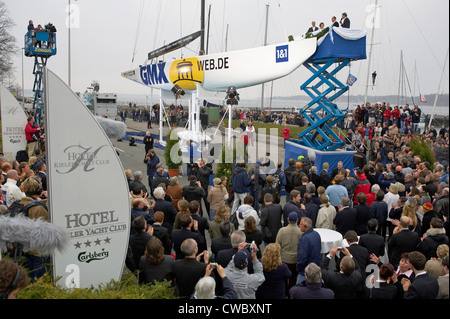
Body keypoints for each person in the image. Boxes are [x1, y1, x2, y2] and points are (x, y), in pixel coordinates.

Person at [276, 212, 302, 294]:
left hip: (284, 258)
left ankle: (285, 292)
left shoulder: (282, 231)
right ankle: (291, 293)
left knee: (283, 277)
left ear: (288, 219)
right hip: (295, 259)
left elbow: (277, 244)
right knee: (293, 278)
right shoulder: (300, 232)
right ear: (297, 220)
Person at [296, 217, 322, 284]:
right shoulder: (316, 234)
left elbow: (302, 257)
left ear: (305, 226)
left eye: (300, 224)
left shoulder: (304, 239)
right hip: (316, 268)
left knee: (298, 290)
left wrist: (298, 268)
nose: (299, 226)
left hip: (305, 270)